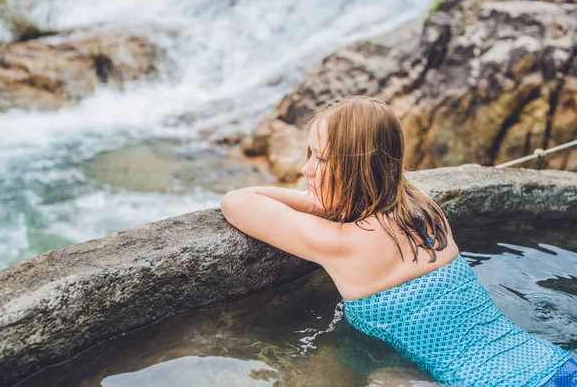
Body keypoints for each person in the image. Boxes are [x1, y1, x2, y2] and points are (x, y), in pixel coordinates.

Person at [220, 96, 576, 386]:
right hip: (555, 364)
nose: (305, 170)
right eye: (309, 155)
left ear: (356, 168)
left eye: (321, 158)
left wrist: (319, 204)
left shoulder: (343, 244)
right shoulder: (425, 209)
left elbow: (236, 202)